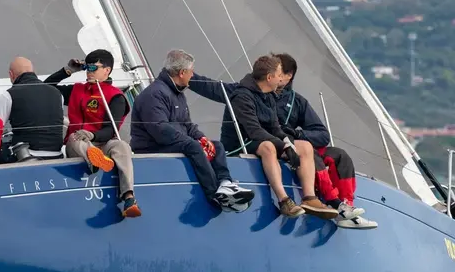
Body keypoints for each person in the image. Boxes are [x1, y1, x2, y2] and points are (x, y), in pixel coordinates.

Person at [189, 55, 338, 219]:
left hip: (259, 139)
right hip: (241, 143)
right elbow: (254, 131)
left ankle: (309, 198)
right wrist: (283, 147)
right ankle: (284, 200)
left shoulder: (269, 95)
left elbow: (275, 127)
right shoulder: (242, 95)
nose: (282, 79)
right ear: (270, 77)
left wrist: (288, 143)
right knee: (268, 147)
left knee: (305, 147)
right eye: (279, 75)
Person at [130, 50, 254, 211]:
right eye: (191, 71)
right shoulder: (154, 94)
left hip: (174, 140)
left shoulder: (178, 94)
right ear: (182, 73)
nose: (192, 74)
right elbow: (159, 129)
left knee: (216, 146)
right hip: (151, 145)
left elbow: (187, 125)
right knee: (194, 147)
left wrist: (203, 139)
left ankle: (225, 184)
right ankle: (214, 195)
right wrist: (191, 141)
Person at [273, 53, 376, 229]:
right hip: (279, 147)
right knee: (309, 151)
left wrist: (299, 134)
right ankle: (334, 202)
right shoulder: (260, 95)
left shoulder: (297, 101)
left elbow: (322, 135)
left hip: (297, 144)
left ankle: (347, 208)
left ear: (288, 76)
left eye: (275, 69)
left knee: (340, 155)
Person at [45, 49, 141, 218]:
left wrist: (93, 136)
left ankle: (129, 197)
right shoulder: (77, 90)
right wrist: (68, 70)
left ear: (107, 70)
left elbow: (110, 130)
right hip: (79, 142)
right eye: (87, 68)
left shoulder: (115, 96)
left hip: (102, 141)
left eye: (93, 68)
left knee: (122, 146)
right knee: (76, 137)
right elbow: (46, 90)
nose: (88, 72)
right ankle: (94, 159)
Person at [0, 57, 65, 162]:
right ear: (34, 72)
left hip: (25, 156)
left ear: (11, 74)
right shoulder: (57, 94)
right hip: (57, 154)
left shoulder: (9, 95)